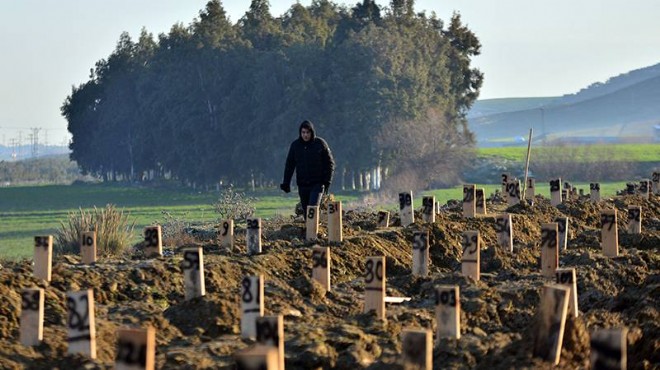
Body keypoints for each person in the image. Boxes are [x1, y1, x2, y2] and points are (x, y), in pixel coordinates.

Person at [280, 120, 335, 219]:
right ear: (300, 133)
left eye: (307, 132)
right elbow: (289, 165)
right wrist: (286, 182)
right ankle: (310, 232)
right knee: (306, 213)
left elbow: (330, 163)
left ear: (312, 132)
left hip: (317, 184)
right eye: (303, 132)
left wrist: (327, 181)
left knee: (312, 209)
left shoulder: (320, 144)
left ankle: (313, 233)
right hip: (302, 184)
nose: (305, 135)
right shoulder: (295, 146)